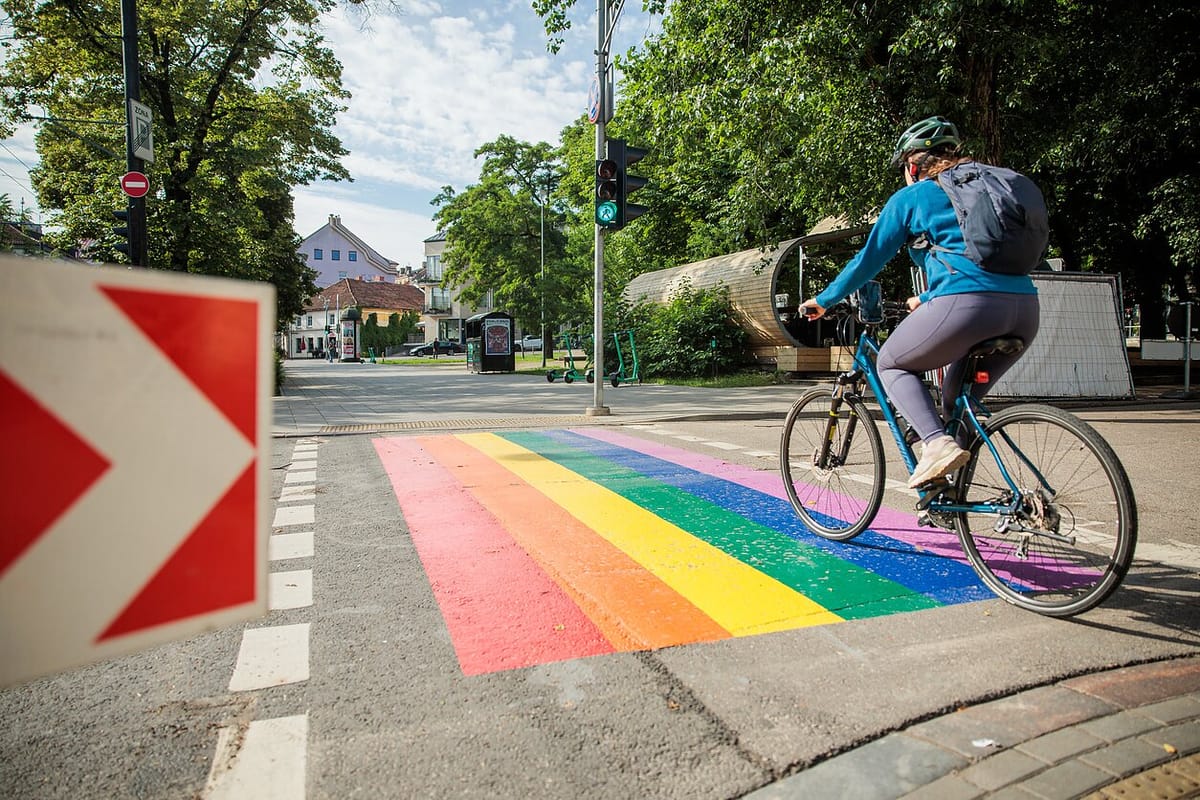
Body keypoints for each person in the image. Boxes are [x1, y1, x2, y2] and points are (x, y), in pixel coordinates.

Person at [799, 115, 1041, 488]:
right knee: (953, 406)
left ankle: (935, 445)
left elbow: (869, 258)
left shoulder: (915, 196)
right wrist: (928, 297)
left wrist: (825, 299)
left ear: (913, 164)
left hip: (968, 307)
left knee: (892, 364)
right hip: (1025, 309)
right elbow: (978, 257)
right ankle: (946, 495)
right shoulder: (994, 187)